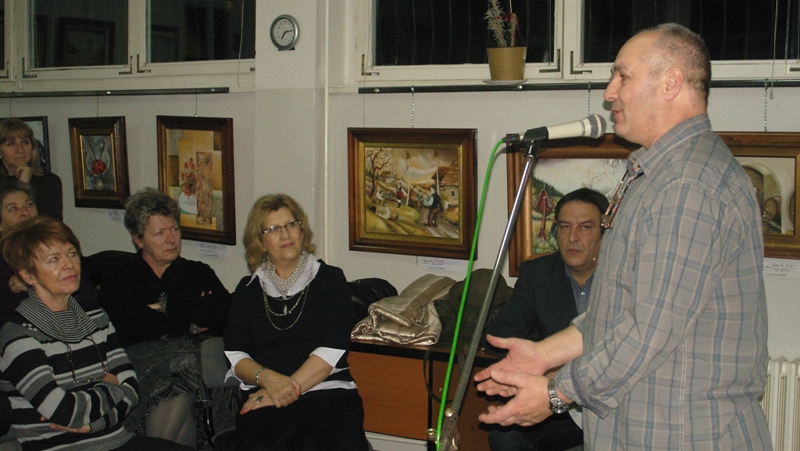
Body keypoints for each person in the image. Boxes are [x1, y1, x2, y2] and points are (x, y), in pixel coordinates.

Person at [475, 23, 772, 450]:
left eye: (623, 76)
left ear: (670, 83)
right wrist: (543, 355)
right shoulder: (657, 175)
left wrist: (557, 393)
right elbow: (618, 310)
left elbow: (648, 330)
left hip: (686, 435)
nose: (609, 92)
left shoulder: (688, 184)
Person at [0, 216, 192, 450]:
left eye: (72, 254)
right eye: (53, 260)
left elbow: (132, 390)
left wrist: (95, 424)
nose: (69, 265)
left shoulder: (96, 317)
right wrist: (111, 386)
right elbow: (65, 411)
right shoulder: (18, 335)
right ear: (28, 275)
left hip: (116, 439)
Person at [224, 194, 370, 450]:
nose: (285, 234)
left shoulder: (330, 280)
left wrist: (284, 389)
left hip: (327, 391)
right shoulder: (247, 290)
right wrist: (269, 380)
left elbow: (332, 349)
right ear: (260, 243)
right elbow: (236, 355)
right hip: (266, 394)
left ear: (302, 231)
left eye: (291, 224)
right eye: (273, 229)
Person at [99, 188, 232, 447]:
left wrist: (164, 305)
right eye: (159, 233)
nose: (171, 239)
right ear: (138, 239)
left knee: (184, 372)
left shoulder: (197, 272)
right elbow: (126, 324)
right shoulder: (120, 273)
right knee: (184, 370)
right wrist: (187, 322)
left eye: (174, 230)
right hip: (139, 361)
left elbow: (222, 312)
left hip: (189, 362)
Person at [485, 188, 608, 451]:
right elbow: (500, 335)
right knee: (504, 434)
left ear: (604, 231)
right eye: (564, 227)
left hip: (612, 400)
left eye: (585, 227)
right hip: (562, 405)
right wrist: (542, 363)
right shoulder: (538, 274)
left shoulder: (624, 276)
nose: (572, 237)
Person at [0, 179, 98, 324]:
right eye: (13, 208)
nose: (25, 212)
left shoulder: (58, 249)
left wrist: (35, 285)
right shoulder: (4, 266)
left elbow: (90, 300)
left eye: (28, 205)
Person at [0, 119, 63, 221]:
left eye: (25, 142)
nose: (20, 150)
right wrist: (23, 185)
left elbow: (50, 227)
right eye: (11, 144)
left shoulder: (49, 182)